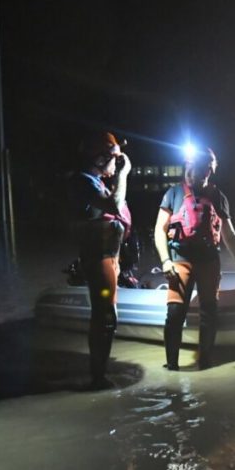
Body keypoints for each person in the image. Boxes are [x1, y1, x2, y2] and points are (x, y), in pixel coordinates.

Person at [154, 148, 235, 370]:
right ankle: (172, 365)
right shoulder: (173, 193)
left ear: (209, 170)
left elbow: (229, 235)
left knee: (209, 313)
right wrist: (165, 261)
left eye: (198, 169)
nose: (192, 174)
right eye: (189, 168)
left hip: (209, 261)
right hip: (180, 259)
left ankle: (205, 362)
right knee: (175, 313)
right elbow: (159, 230)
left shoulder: (218, 197)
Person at [69, 131, 132, 388]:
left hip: (109, 258)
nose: (116, 163)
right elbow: (114, 206)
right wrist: (123, 174)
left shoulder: (96, 182)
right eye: (114, 159)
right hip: (98, 258)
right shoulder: (83, 182)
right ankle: (98, 378)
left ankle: (100, 373)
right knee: (104, 316)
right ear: (99, 158)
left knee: (109, 316)